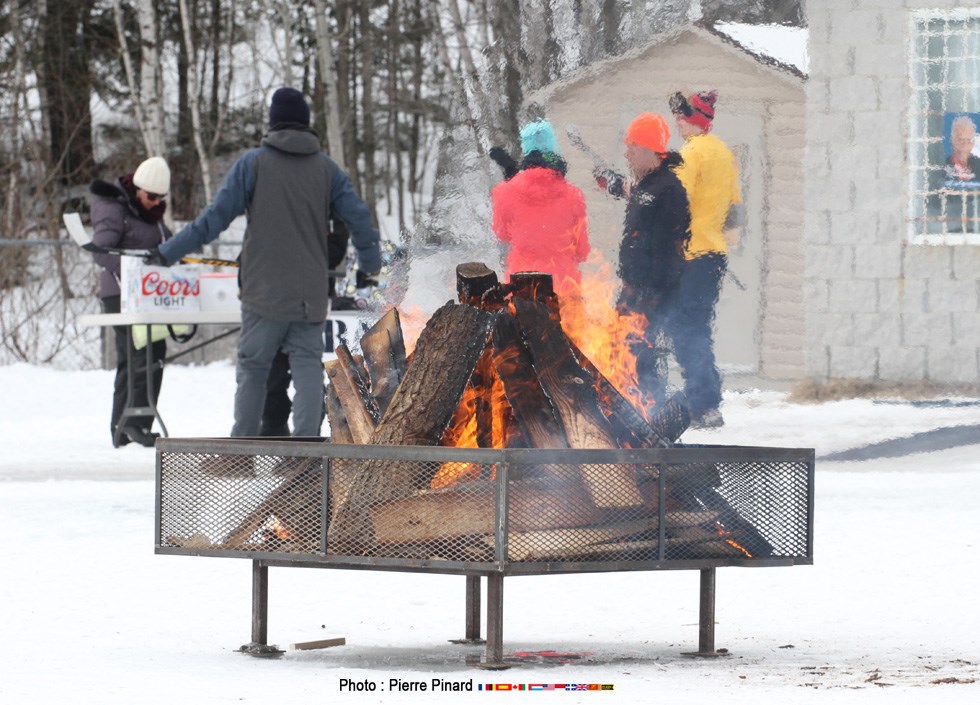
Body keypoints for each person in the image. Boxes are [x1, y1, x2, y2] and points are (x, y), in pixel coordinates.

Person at [147, 87, 381, 437]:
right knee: (305, 366)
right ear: (306, 124)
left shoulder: (253, 164)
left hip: (262, 291)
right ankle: (305, 454)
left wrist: (168, 251)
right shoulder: (326, 169)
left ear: (273, 123)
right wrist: (369, 264)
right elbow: (359, 218)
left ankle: (242, 449)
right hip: (309, 294)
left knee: (254, 368)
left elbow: (214, 219)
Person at [594, 113, 690, 417]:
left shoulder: (669, 188)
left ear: (652, 151)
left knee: (641, 354)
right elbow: (636, 193)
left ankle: (650, 416)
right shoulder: (650, 184)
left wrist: (652, 292)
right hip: (635, 287)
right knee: (620, 349)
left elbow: (670, 239)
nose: (627, 152)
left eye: (633, 147)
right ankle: (628, 411)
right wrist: (614, 185)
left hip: (653, 290)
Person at [669, 90, 742, 428]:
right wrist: (722, 242)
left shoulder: (691, 154)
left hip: (690, 254)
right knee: (697, 328)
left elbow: (675, 202)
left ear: (694, 119)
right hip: (714, 254)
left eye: (681, 117)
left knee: (686, 329)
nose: (677, 123)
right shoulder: (725, 154)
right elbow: (734, 211)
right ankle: (706, 398)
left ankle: (703, 404)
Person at [89, 156, 173, 447]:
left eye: (161, 198)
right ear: (137, 189)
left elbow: (162, 241)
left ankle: (121, 426)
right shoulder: (114, 209)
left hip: (147, 296)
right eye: (151, 196)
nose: (156, 202)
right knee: (145, 353)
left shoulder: (147, 212)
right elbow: (101, 253)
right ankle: (134, 424)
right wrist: (137, 264)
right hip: (122, 295)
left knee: (138, 356)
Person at [259, 217, 350, 437]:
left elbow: (336, 246)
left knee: (309, 378)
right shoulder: (275, 217)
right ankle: (273, 430)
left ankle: (306, 439)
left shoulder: (321, 218)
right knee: (273, 375)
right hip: (274, 305)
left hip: (311, 310)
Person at [490, 119, 590, 298]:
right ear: (553, 150)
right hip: (564, 288)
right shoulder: (573, 196)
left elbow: (502, 234)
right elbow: (582, 251)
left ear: (526, 151)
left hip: (522, 287)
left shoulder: (505, 192)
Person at [945, 114, 980, 183]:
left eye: (968, 140)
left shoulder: (978, 164)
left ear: (973, 143)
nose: (965, 144)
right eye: (960, 139)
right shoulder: (943, 167)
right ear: (953, 140)